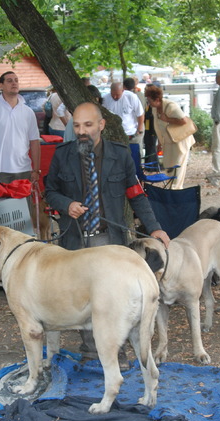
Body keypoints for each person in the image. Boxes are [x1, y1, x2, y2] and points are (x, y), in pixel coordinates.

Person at [44, 102, 170, 368]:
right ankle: (91, 352)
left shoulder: (121, 154)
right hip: (75, 240)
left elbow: (136, 194)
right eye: (77, 125)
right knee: (83, 299)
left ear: (101, 125)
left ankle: (116, 354)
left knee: (112, 301)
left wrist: (154, 227)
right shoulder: (62, 154)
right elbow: (50, 191)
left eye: (88, 125)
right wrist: (66, 205)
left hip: (109, 239)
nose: (81, 131)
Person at [0, 71, 41, 184]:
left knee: (24, 202)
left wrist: (36, 169)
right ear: (1, 85)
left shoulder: (28, 112)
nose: (14, 83)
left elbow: (34, 141)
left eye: (16, 80)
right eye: (9, 81)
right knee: (1, 202)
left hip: (23, 169)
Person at [144, 85, 195, 189]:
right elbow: (158, 127)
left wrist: (167, 119)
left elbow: (183, 121)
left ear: (157, 99)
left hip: (180, 140)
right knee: (168, 165)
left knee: (178, 166)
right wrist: (159, 142)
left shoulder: (171, 106)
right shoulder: (154, 109)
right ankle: (171, 188)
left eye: (149, 101)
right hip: (168, 140)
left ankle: (175, 189)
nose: (148, 103)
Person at [102, 81, 144, 164]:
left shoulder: (131, 97)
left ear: (123, 90)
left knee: (133, 157)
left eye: (117, 95)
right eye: (112, 94)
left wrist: (139, 129)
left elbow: (140, 114)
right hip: (114, 135)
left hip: (131, 134)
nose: (114, 96)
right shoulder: (105, 99)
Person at [142, 84, 159, 167]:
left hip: (152, 128)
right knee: (148, 146)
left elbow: (152, 115)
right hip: (147, 127)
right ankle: (148, 165)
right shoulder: (146, 101)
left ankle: (153, 166)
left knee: (152, 147)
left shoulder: (154, 101)